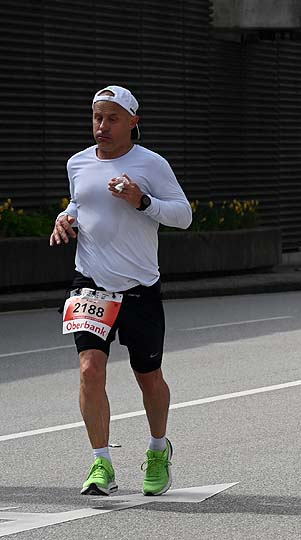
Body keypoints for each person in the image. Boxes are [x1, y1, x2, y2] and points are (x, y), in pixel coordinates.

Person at [50, 85, 191, 495]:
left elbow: (183, 215)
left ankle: (158, 450)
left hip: (139, 287)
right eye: (98, 117)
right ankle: (101, 464)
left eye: (113, 118)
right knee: (89, 370)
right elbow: (80, 203)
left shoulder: (151, 164)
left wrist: (142, 201)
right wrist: (65, 217)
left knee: (149, 379)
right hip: (90, 284)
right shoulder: (77, 163)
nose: (103, 126)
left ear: (133, 122)